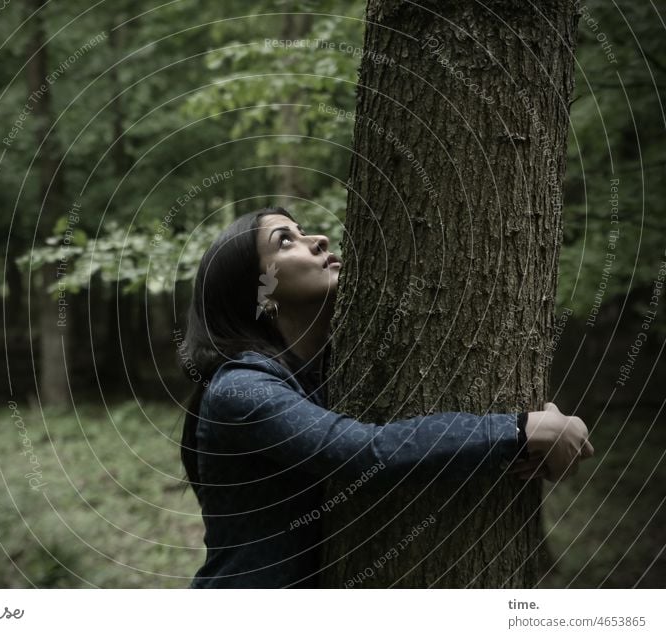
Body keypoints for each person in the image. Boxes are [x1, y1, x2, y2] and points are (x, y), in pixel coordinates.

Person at [178, 206, 594, 588]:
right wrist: (521, 429)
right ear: (257, 293)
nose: (318, 240)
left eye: (302, 231)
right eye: (284, 240)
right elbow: (363, 451)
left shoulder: (319, 375)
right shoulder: (239, 390)